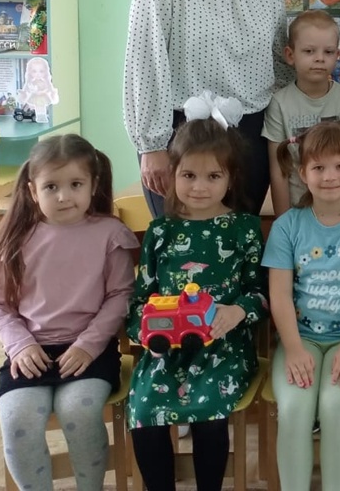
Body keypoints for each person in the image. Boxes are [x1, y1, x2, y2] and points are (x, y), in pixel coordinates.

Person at [123, 0, 289, 218]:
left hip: (250, 136)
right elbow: (145, 62)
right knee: (183, 242)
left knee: (239, 242)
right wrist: (151, 145)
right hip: (180, 134)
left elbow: (280, 62)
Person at [125, 97, 267, 491]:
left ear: (230, 179)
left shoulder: (244, 228)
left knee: (209, 413)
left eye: (212, 176)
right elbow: (139, 301)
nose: (200, 187)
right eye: (188, 175)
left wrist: (238, 312)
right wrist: (145, 334)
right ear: (172, 175)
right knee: (143, 408)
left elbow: (261, 292)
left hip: (225, 347)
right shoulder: (161, 232)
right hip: (164, 351)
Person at [0, 135, 137, 491]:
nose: (64, 196)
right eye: (51, 186)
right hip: (30, 353)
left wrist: (88, 345)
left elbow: (121, 296)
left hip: (90, 352)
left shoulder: (110, 234)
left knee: (79, 412)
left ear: (93, 185)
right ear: (32, 190)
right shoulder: (17, 238)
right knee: (17, 418)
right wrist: (20, 346)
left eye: (75, 185)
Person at [263, 120, 340, 491]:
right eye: (318, 167)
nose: (330, 176)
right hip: (298, 339)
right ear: (303, 173)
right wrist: (293, 348)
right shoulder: (287, 226)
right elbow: (279, 295)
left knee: (335, 406)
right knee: (294, 409)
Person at [264, 9, 340, 216]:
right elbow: (279, 170)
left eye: (328, 52)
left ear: (338, 55)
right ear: (290, 55)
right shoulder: (279, 104)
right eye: (309, 51)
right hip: (299, 215)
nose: (319, 59)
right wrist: (283, 222)